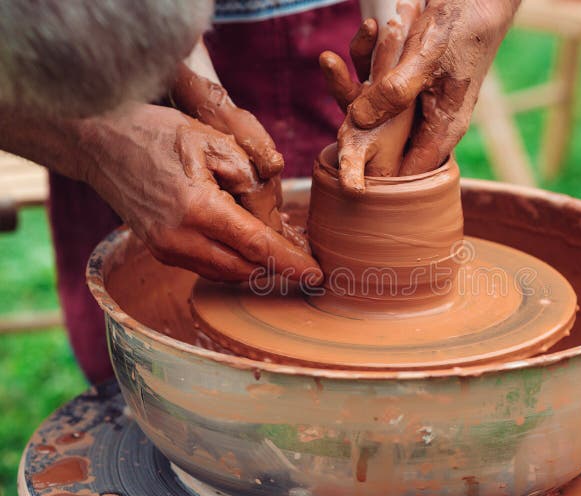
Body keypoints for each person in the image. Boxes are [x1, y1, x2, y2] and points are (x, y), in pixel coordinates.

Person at [0, 0, 519, 383]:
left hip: (329, 26)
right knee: (148, 371)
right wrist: (88, 135)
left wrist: (431, 28)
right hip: (86, 57)